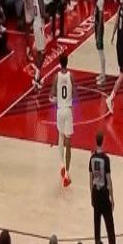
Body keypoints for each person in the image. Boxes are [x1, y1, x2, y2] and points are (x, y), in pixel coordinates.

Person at [89, 131, 119, 244]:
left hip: (96, 193)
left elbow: (90, 179)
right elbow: (108, 179)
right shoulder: (106, 159)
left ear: (96, 142)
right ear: (103, 141)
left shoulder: (92, 158)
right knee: (109, 226)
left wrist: (91, 195)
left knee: (97, 226)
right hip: (104, 194)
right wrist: (112, 197)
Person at [49, 54, 76, 187]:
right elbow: (74, 94)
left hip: (59, 110)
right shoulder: (71, 76)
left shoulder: (56, 77)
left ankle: (61, 165)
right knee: (68, 142)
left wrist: (55, 99)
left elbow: (51, 95)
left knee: (60, 136)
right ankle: (67, 174)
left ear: (60, 63)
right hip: (68, 110)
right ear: (67, 62)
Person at [31, 0, 45, 90]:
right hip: (39, 25)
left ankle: (38, 76)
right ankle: (36, 77)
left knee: (40, 52)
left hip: (36, 23)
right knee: (42, 53)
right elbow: (43, 13)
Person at [94, 0, 106, 85]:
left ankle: (103, 75)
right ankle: (102, 73)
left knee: (101, 51)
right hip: (97, 25)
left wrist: (98, 32)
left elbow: (101, 16)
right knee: (99, 50)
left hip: (99, 26)